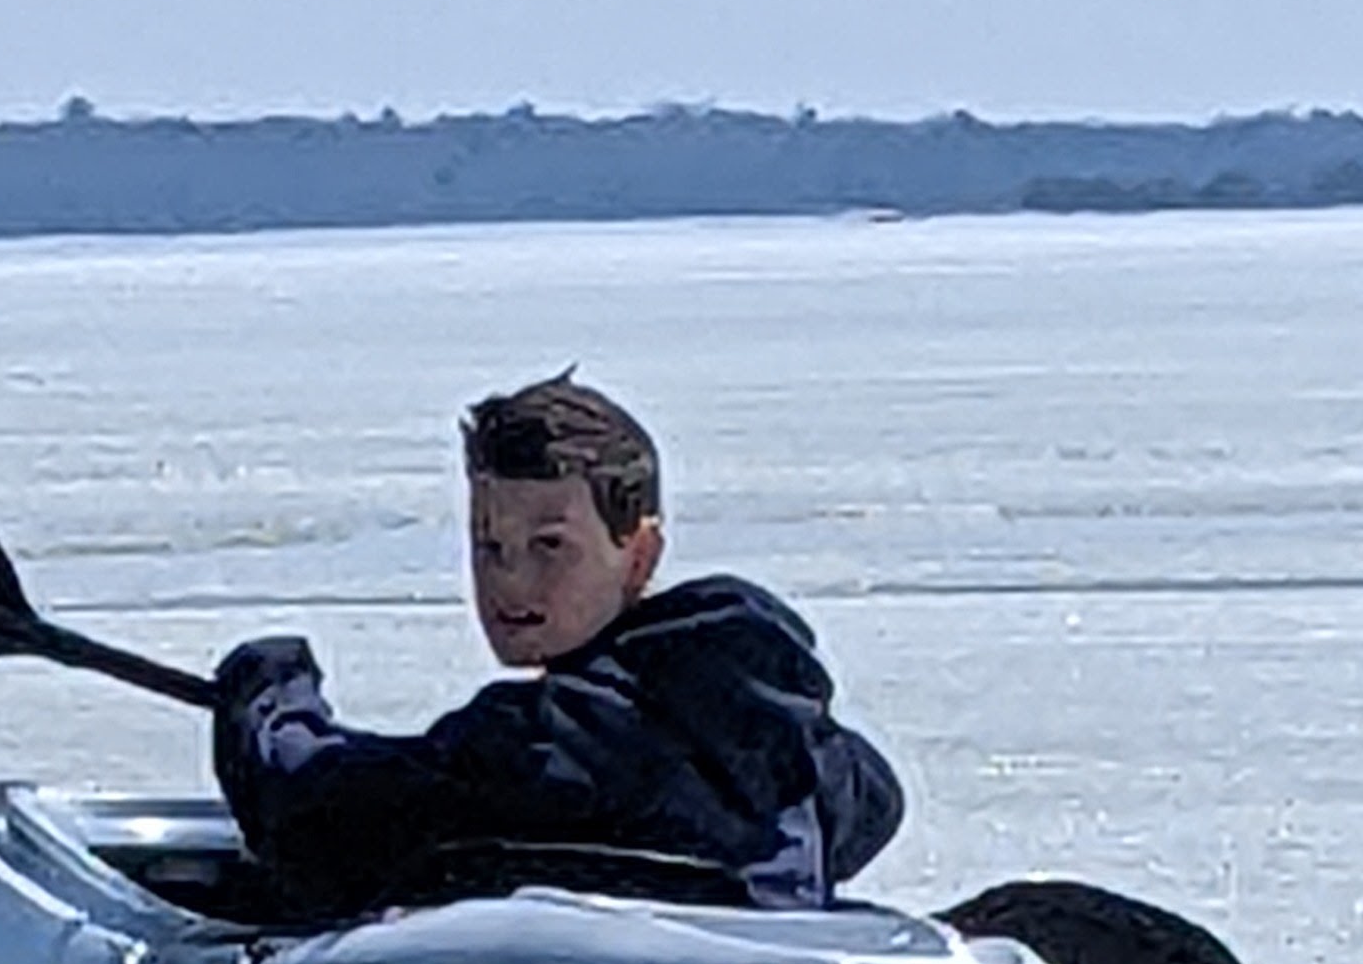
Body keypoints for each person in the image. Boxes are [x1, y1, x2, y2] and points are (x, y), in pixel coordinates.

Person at [210, 374, 904, 920]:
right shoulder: (781, 734)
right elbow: (874, 806)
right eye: (490, 545)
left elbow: (315, 817)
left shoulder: (547, 742)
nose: (511, 582)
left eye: (550, 547)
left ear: (639, 554)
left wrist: (268, 696)